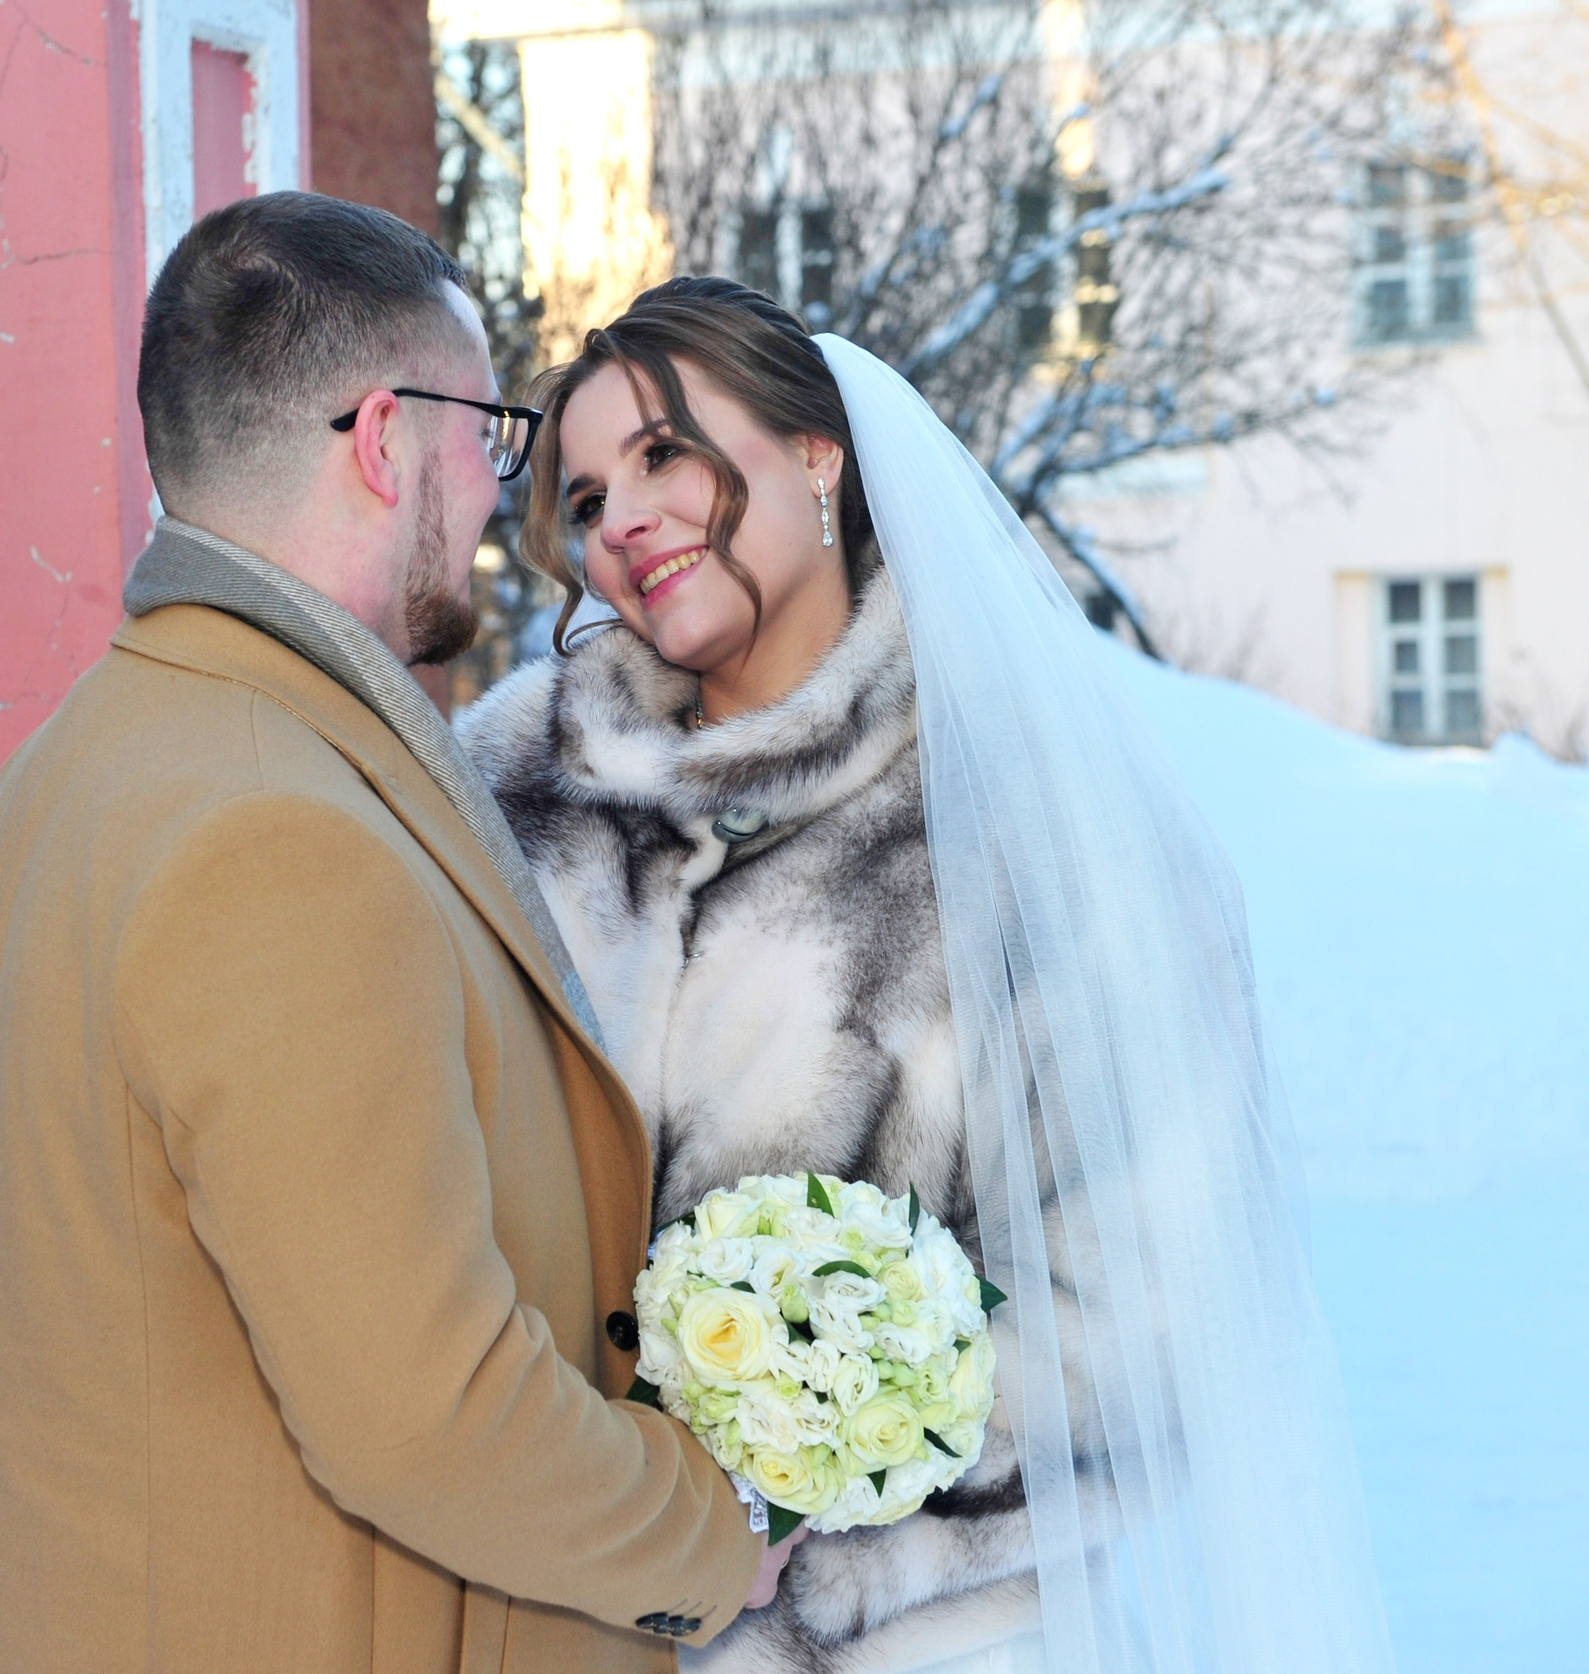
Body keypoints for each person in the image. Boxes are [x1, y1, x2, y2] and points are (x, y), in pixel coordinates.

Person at [459, 280, 1392, 1674]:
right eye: (587, 500)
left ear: (816, 456)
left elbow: (1158, 1293)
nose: (624, 520)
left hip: (926, 1638)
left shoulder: (1029, 831)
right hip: (567, 1627)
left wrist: (836, 1405)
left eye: (662, 454)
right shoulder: (508, 802)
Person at [0, 196, 790, 1674]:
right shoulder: (282, 837)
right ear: (387, 439)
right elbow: (427, 1412)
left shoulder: (81, 758)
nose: (503, 492)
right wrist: (709, 1539)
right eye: (491, 435)